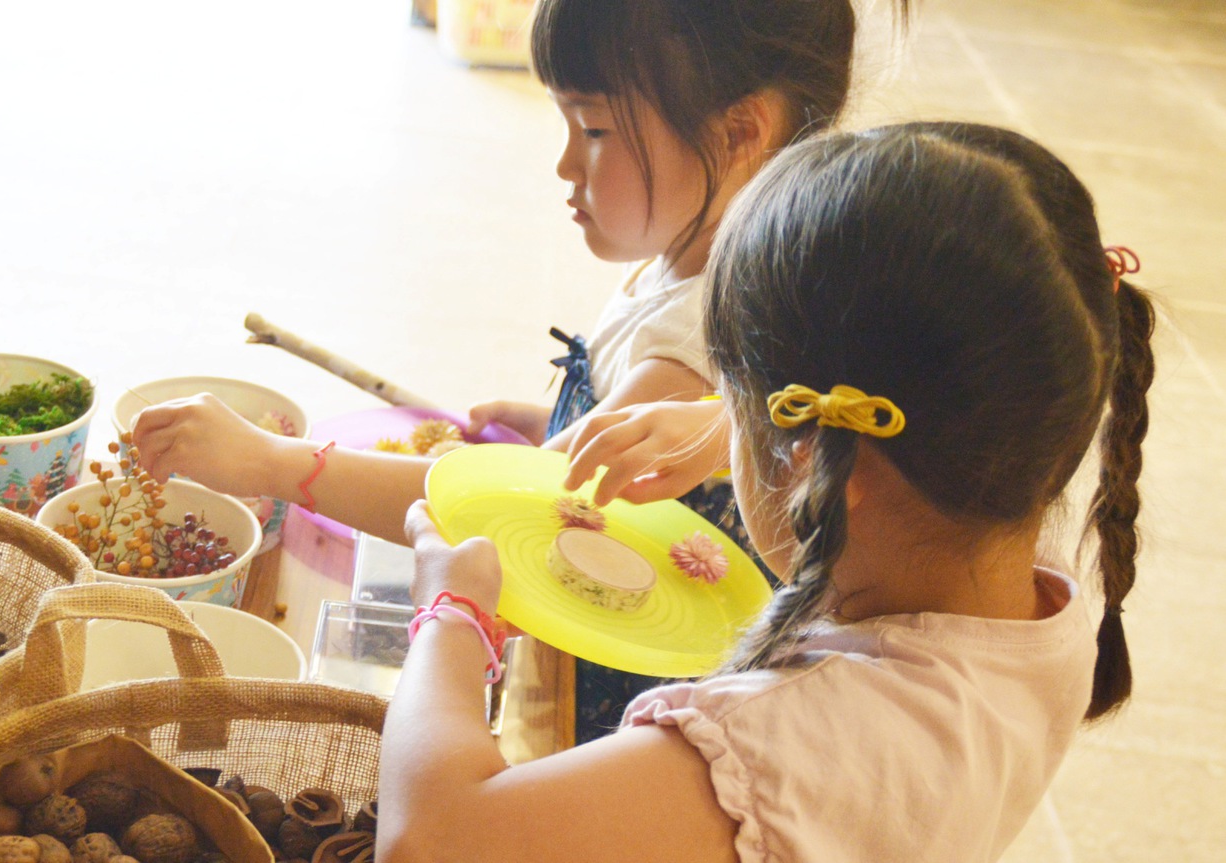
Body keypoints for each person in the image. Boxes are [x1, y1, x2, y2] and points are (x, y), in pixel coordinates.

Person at [375, 121, 1156, 863]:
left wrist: (451, 614)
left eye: (739, 403)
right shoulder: (1026, 586)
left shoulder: (780, 744)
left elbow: (431, 840)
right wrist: (739, 427)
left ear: (825, 466)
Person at [135, 0, 909, 741]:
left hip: (621, 685)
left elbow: (523, 522)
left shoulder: (700, 334)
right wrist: (564, 426)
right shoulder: (694, 254)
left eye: (596, 128)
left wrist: (270, 461)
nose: (566, 162)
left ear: (742, 131)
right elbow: (633, 434)